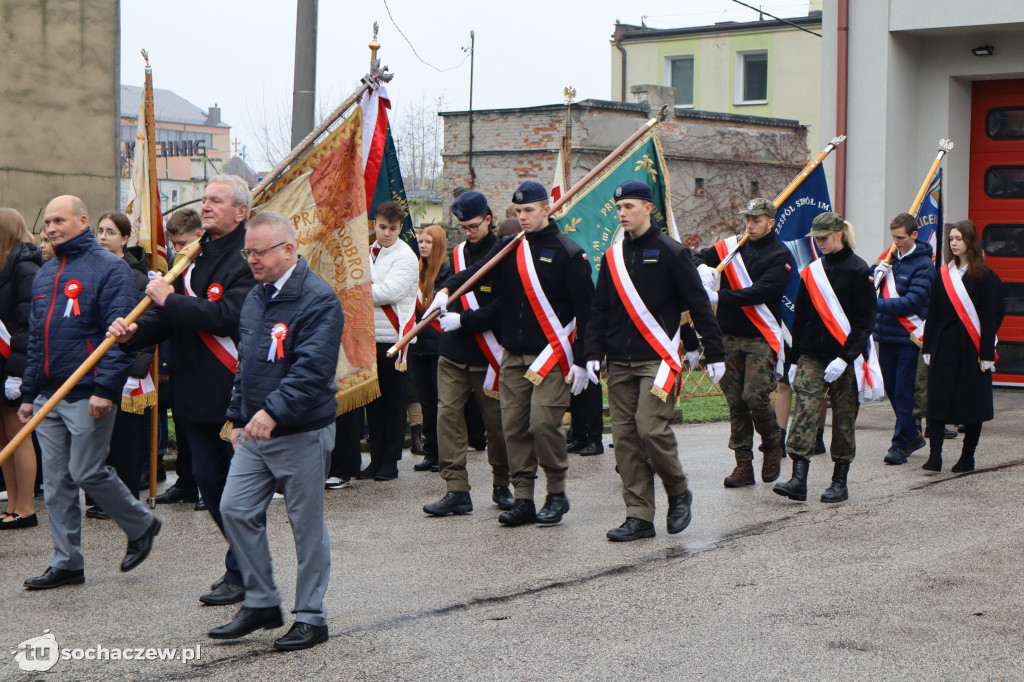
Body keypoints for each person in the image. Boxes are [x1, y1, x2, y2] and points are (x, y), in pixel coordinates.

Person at [109, 175, 256, 606]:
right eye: (205, 198)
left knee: (238, 490)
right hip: (193, 391)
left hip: (234, 392)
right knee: (209, 484)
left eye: (216, 200)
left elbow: (229, 316)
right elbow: (171, 316)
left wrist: (167, 300)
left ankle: (243, 570)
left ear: (241, 212)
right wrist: (135, 332)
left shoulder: (250, 256)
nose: (205, 206)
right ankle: (244, 562)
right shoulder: (191, 255)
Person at [208, 211, 343, 652]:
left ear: (288, 249)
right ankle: (263, 601)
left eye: (260, 252)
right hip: (254, 429)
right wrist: (237, 414)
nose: (251, 260)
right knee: (235, 509)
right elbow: (247, 364)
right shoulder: (257, 296)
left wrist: (274, 411)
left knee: (306, 526)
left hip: (300, 430)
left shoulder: (318, 299)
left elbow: (313, 370)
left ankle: (311, 617)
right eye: (248, 252)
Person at [427, 181, 594, 526]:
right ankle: (523, 498)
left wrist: (581, 359)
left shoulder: (568, 253)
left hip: (549, 355)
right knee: (513, 427)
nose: (523, 217)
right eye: (518, 212)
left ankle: (557, 493)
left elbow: (587, 311)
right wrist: (446, 290)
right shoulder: (509, 246)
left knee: (543, 423)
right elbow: (475, 272)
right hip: (513, 354)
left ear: (547, 209)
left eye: (529, 210)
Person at [20, 195, 160, 589]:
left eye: (59, 220)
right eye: (47, 221)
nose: (50, 228)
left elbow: (120, 336)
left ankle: (141, 523)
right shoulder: (46, 274)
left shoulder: (110, 269)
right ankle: (66, 562)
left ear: (82, 221)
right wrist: (30, 394)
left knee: (86, 471)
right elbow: (37, 341)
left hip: (87, 391)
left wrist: (106, 388)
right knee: (56, 482)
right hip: (50, 392)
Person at [585, 180, 726, 541]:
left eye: (629, 207)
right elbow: (600, 308)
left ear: (648, 208)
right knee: (626, 438)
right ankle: (639, 516)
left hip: (657, 359)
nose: (622, 214)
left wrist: (715, 349)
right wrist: (591, 352)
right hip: (618, 360)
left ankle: (678, 490)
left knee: (650, 428)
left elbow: (698, 302)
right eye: (618, 209)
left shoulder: (671, 251)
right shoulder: (613, 255)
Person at [774, 213, 876, 503]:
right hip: (812, 356)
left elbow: (865, 321)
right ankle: (798, 479)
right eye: (816, 239)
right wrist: (793, 360)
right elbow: (802, 318)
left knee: (844, 418)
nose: (819, 243)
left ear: (839, 235)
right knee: (805, 410)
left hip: (845, 358)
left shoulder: (859, 270)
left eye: (824, 238)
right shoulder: (813, 271)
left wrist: (845, 358)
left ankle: (839, 481)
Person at [422, 191, 512, 516]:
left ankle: (503, 484)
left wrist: (466, 319)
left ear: (488, 219)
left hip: (489, 355)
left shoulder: (505, 252)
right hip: (452, 354)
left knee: (497, 424)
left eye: (474, 225)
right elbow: (444, 287)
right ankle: (456, 490)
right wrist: (439, 297)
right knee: (447, 418)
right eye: (463, 227)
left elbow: (503, 308)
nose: (469, 232)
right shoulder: (457, 255)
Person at [694, 198, 793, 488]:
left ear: (771, 222)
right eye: (747, 219)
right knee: (735, 402)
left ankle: (772, 444)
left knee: (755, 397)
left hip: (760, 337)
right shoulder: (732, 246)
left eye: (757, 220)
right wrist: (702, 268)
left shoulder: (780, 255)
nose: (749, 224)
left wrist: (720, 297)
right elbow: (697, 257)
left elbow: (760, 292)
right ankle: (743, 464)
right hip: (728, 336)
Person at [921, 220, 1004, 472]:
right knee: (936, 401)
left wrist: (987, 352)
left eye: (958, 238)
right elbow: (933, 313)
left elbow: (992, 315)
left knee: (971, 403)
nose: (953, 243)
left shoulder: (986, 276)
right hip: (944, 344)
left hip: (972, 348)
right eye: (951, 239)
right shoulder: (942, 274)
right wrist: (927, 347)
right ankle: (935, 455)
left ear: (970, 241)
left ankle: (967, 456)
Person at [88, 211, 154, 518]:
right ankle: (104, 497)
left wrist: (133, 367)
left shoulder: (136, 276)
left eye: (110, 232)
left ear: (125, 239)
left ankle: (125, 498)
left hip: (126, 369)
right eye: (99, 231)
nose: (102, 237)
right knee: (103, 439)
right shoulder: (93, 270)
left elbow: (140, 325)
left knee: (124, 440)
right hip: (97, 365)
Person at [352, 201, 418, 481]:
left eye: (392, 228)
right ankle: (375, 457)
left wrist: (358, 289)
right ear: (374, 224)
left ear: (400, 228)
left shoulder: (406, 256)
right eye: (382, 227)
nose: (387, 233)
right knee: (374, 403)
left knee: (393, 403)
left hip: (394, 339)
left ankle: (390, 461)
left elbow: (389, 292)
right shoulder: (368, 252)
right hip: (369, 337)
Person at [871, 213, 935, 465]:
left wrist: (876, 304)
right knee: (892, 389)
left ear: (914, 235)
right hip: (885, 335)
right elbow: (866, 284)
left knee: (904, 392)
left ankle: (899, 443)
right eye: (893, 237)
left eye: (900, 237)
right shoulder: (888, 260)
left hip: (909, 337)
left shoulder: (924, 265)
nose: (896, 242)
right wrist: (874, 274)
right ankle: (912, 434)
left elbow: (913, 302)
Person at [152, 208, 204, 506]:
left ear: (199, 236)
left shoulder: (210, 264)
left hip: (211, 355)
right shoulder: (176, 266)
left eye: (181, 244)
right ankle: (186, 482)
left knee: (207, 425)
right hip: (181, 352)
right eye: (172, 245)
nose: (175, 251)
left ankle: (207, 486)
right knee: (182, 420)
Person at [0, 208, 42, 529]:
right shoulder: (4, 266)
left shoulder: (25, 268)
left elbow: (28, 323)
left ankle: (26, 507)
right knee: (4, 436)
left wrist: (18, 371)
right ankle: (11, 503)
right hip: (2, 361)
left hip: (14, 361)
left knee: (19, 432)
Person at [409, 225, 451, 473]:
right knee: (425, 401)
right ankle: (431, 450)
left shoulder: (447, 270)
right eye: (421, 241)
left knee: (440, 402)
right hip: (419, 345)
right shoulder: (418, 271)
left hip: (439, 345)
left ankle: (444, 454)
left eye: (428, 242)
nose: (423, 246)